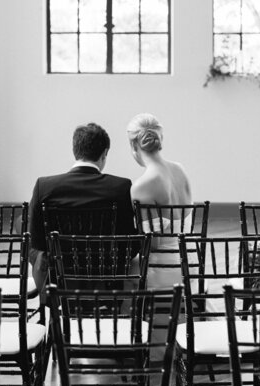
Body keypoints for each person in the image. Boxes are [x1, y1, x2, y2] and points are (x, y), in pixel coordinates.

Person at [29, 122, 137, 296]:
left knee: (25, 228)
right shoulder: (121, 187)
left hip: (60, 271)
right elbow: (129, 242)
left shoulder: (45, 186)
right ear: (104, 154)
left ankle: (46, 288)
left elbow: (37, 242)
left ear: (75, 150)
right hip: (105, 273)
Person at [127, 113, 192, 289]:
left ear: (133, 144)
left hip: (164, 270)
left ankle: (134, 316)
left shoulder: (141, 186)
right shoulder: (180, 170)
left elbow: (152, 243)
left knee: (121, 272)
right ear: (160, 138)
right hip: (190, 264)